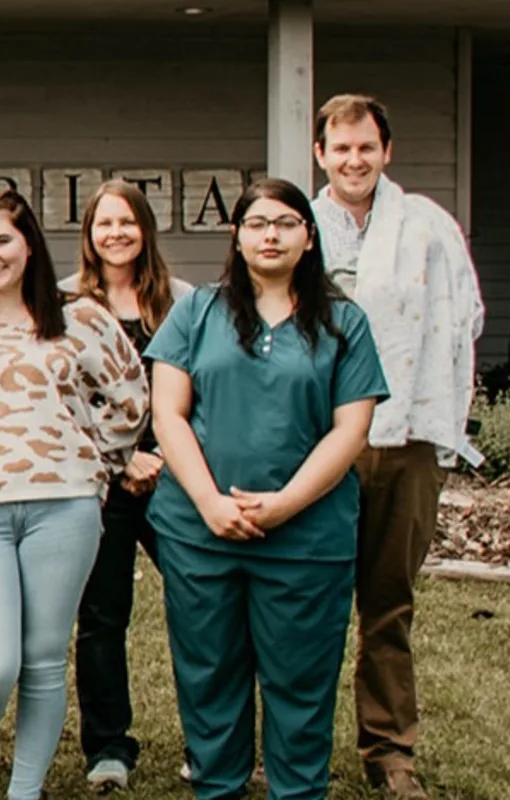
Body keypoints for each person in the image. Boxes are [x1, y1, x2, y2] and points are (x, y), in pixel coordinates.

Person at [147, 178, 385, 800]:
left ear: (309, 237)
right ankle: (217, 788)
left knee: (301, 684)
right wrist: (209, 503)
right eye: (257, 224)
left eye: (285, 223)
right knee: (208, 678)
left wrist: (285, 504)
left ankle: (298, 792)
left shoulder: (343, 322)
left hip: (306, 537)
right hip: (201, 532)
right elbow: (168, 413)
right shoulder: (197, 310)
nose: (270, 235)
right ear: (237, 236)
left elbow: (350, 428)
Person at [0, 189, 147, 800]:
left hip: (66, 506)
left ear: (29, 244)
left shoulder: (83, 317)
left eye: (2, 240)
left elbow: (131, 398)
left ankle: (25, 790)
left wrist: (93, 463)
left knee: (45, 658)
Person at [310, 93, 485, 800]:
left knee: (387, 603)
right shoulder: (300, 223)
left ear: (387, 151)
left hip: (405, 435)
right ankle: (296, 747)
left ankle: (389, 752)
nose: (354, 160)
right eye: (340, 148)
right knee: (308, 604)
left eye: (366, 147)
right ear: (320, 154)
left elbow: (464, 315)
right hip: (318, 441)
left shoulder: (427, 227)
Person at [59, 179, 195, 793]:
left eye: (127, 222)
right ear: (88, 234)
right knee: (101, 616)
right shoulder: (61, 305)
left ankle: (209, 740)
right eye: (103, 223)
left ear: (146, 229)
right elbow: (58, 403)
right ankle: (108, 746)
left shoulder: (184, 303)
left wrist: (161, 455)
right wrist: (121, 461)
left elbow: (199, 393)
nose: (116, 234)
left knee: (202, 610)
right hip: (99, 481)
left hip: (177, 478)